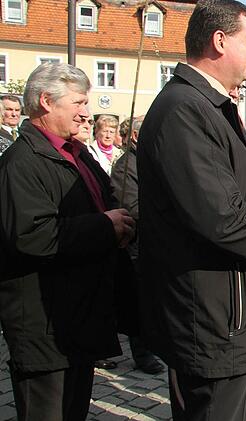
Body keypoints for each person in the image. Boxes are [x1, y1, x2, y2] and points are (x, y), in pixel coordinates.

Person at [137, 2, 246, 420]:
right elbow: (219, 215)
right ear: (219, 41)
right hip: (215, 320)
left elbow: (228, 191)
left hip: (230, 315)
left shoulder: (207, 105)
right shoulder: (185, 109)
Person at [0, 63, 135, 421]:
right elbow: (32, 235)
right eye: (78, 102)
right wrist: (105, 227)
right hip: (43, 328)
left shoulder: (77, 154)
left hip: (78, 320)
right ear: (46, 101)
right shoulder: (22, 162)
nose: (86, 113)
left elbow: (105, 204)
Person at [110, 116, 165, 374]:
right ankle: (142, 353)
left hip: (157, 243)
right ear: (134, 136)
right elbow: (131, 207)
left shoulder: (150, 159)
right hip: (138, 245)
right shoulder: (125, 167)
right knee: (140, 302)